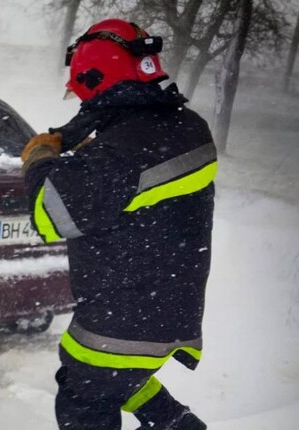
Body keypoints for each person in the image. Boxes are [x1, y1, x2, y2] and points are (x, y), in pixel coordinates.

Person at [21, 19, 215, 430]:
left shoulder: (124, 151)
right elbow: (136, 185)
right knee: (117, 381)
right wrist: (94, 141)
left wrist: (40, 157)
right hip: (166, 311)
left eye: (83, 94)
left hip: (119, 322)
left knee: (85, 395)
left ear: (95, 79)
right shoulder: (186, 127)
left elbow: (49, 214)